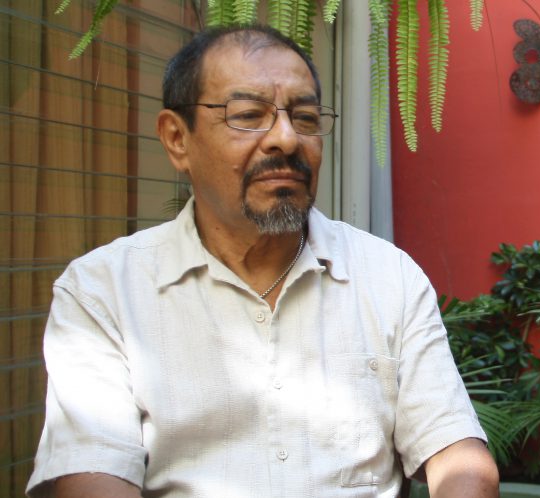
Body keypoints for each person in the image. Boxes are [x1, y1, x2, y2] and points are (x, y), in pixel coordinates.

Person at [27, 26, 499, 498]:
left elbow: (456, 455)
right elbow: (93, 476)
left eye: (306, 118)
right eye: (248, 115)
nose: (287, 139)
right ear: (177, 139)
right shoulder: (103, 290)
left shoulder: (388, 276)